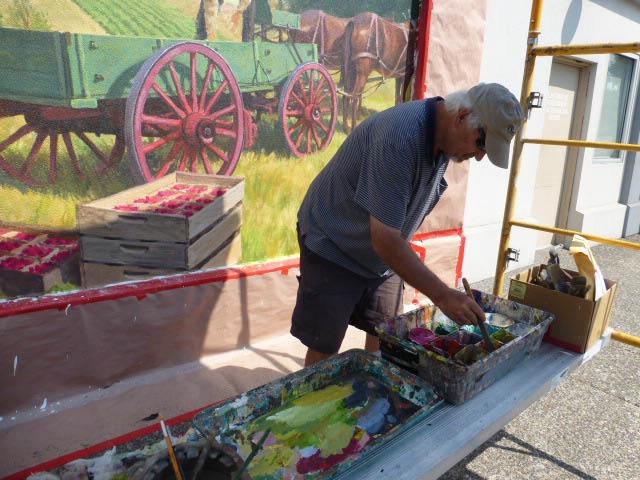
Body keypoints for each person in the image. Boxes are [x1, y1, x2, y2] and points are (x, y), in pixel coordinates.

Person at [291, 83, 524, 366]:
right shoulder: (399, 137)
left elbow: (389, 238)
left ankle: (371, 391)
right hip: (334, 241)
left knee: (388, 336)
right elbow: (385, 239)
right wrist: (442, 295)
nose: (478, 156)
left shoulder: (446, 137)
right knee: (324, 347)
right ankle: (313, 404)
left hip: (380, 257)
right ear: (462, 116)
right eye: (482, 143)